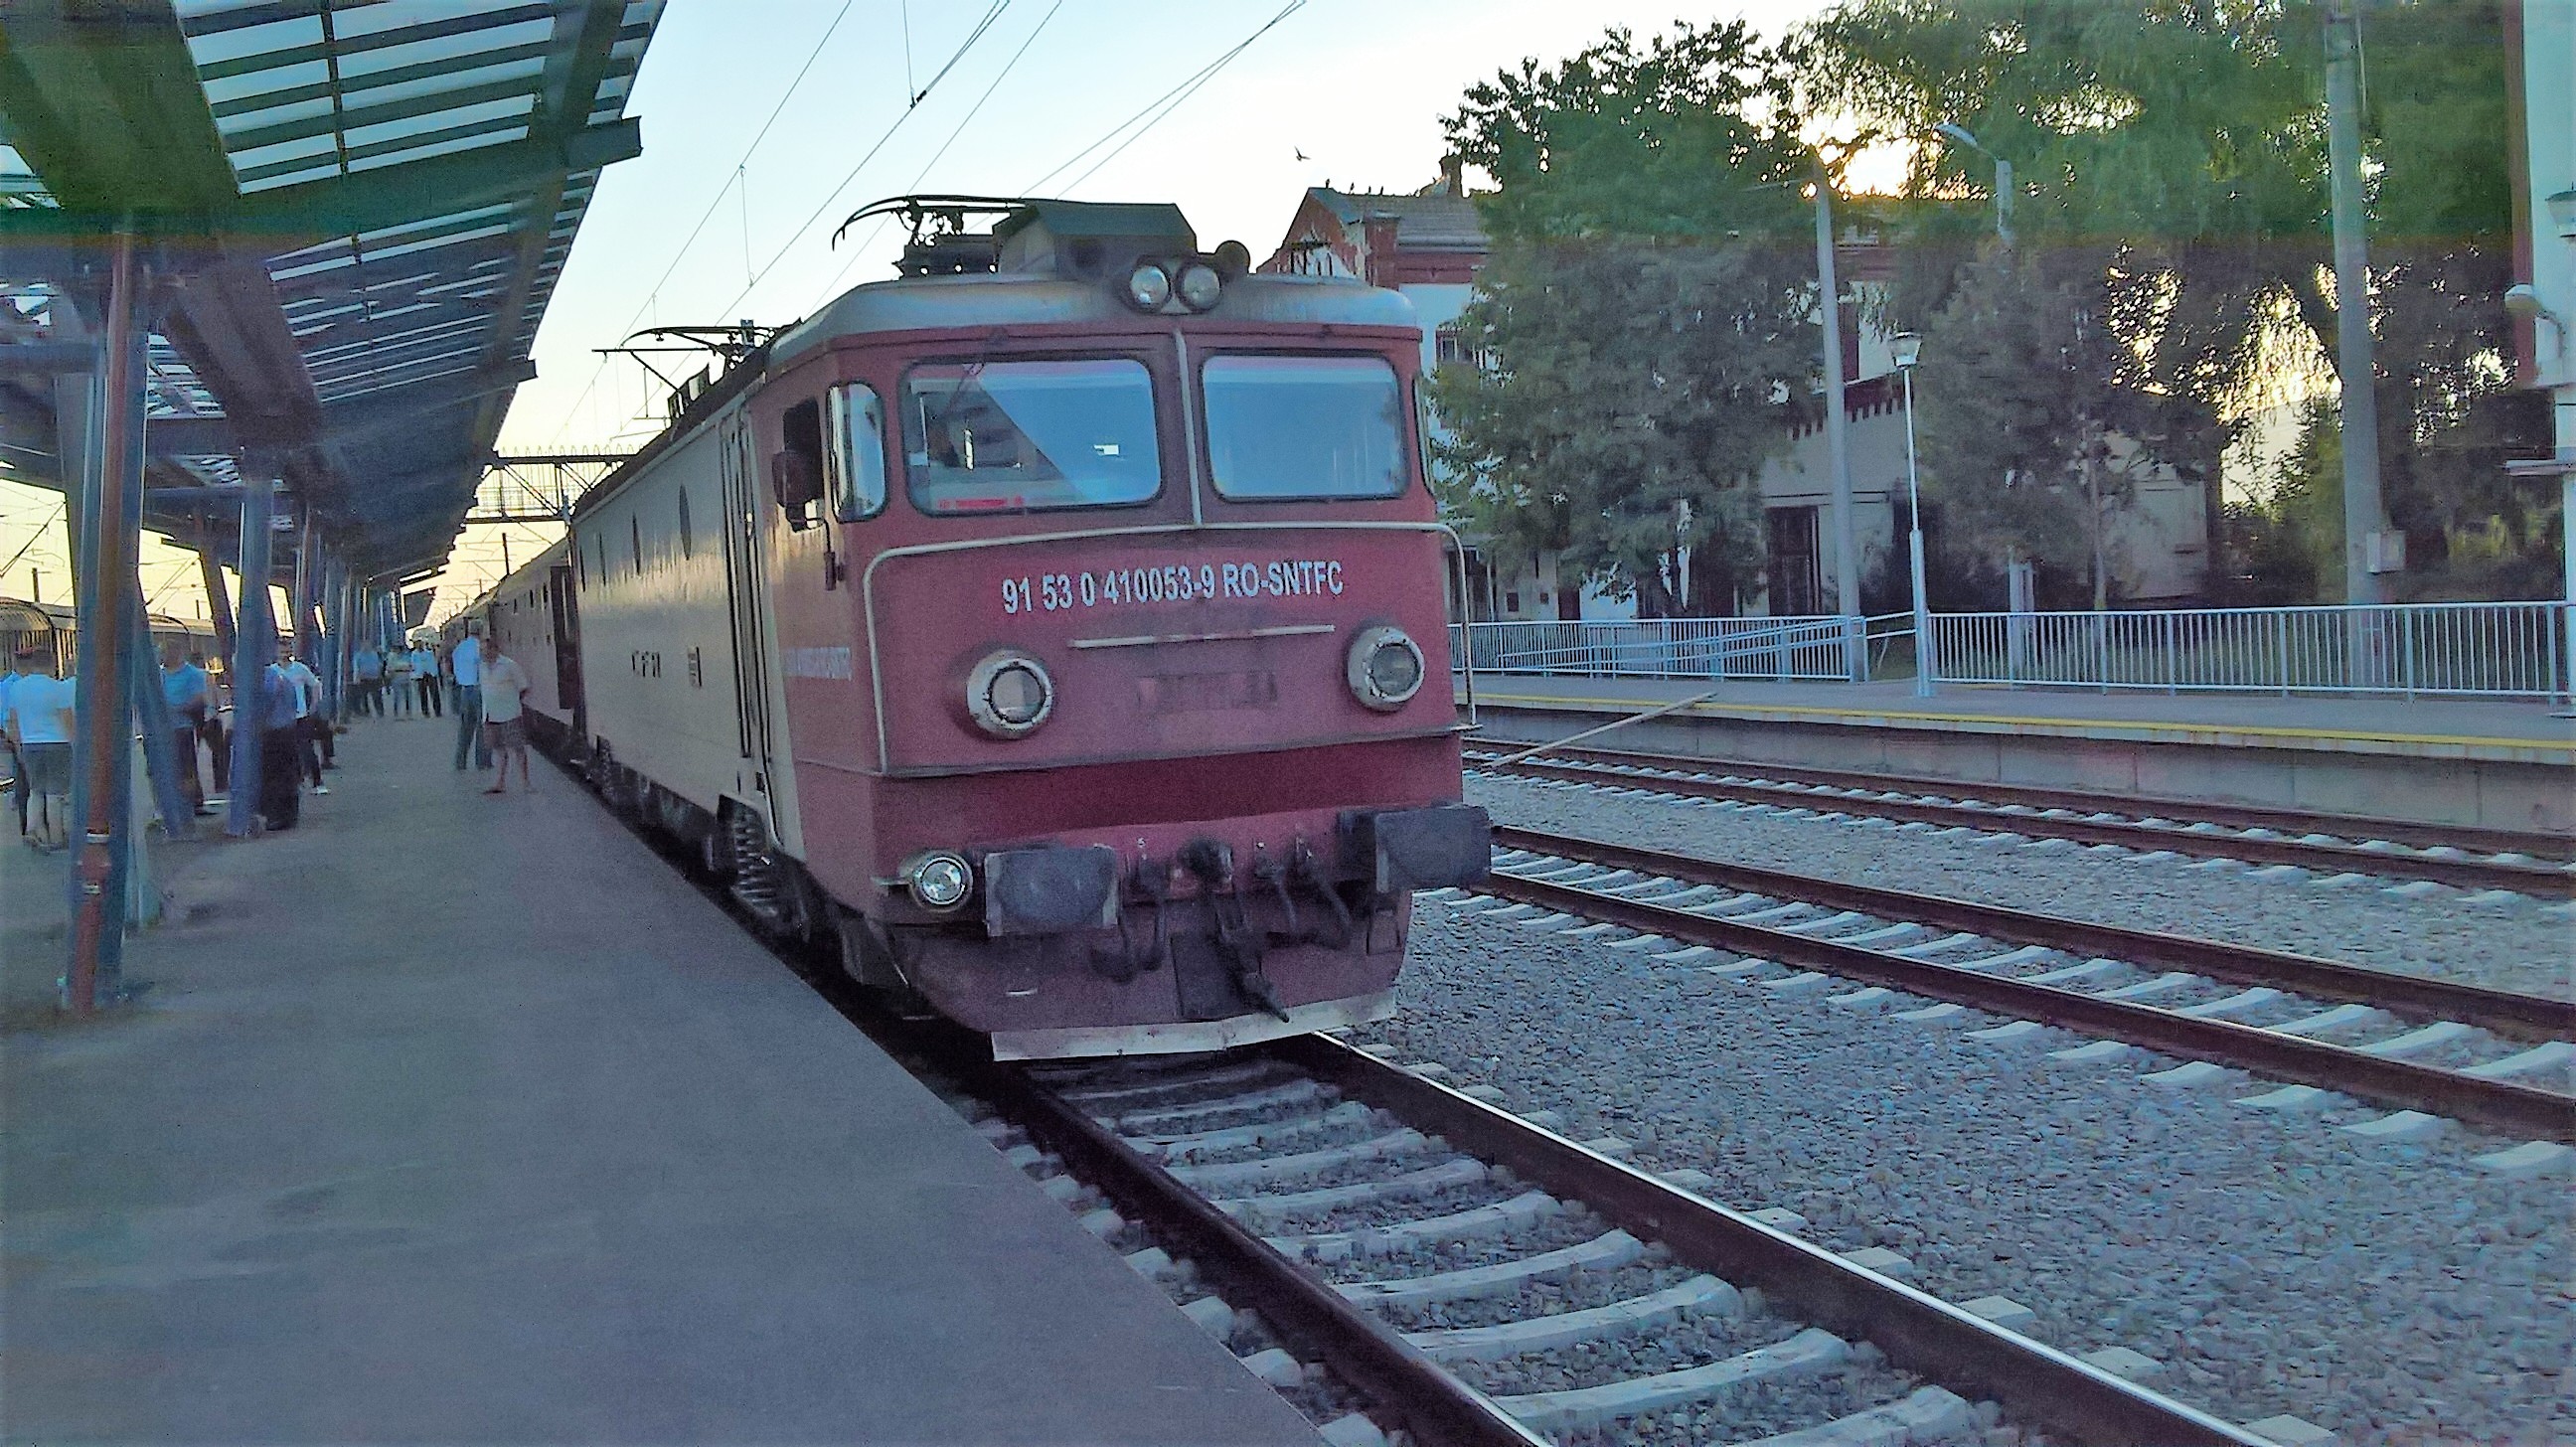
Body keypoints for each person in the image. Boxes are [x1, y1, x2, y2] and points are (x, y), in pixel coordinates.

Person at [5, 646, 75, 851]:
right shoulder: (58, 688)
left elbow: (13, 721)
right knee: (54, 793)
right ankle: (56, 837)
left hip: (29, 745)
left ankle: (33, 830)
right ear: (52, 665)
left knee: (35, 791)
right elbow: (67, 721)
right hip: (57, 744)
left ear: (33, 664)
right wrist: (75, 744)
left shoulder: (17, 688)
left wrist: (18, 745)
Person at [479, 636, 535, 795]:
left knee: (518, 748)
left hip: (509, 714)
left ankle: (526, 783)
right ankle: (500, 783)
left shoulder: (509, 665)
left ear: (494, 649)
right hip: (490, 715)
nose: (483, 653)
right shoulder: (482, 667)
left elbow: (523, 686)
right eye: (481, 650)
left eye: (485, 650)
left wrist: (513, 702)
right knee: (498, 749)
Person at [162, 648, 214, 814]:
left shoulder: (192, 674)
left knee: (187, 767)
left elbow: (199, 699)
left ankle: (193, 802)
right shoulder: (159, 675)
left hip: (183, 727)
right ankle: (171, 803)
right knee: (166, 768)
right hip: (163, 729)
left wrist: (176, 709)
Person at [254, 656, 301, 832]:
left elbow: (265, 704)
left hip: (273, 733)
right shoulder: (282, 678)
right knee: (287, 774)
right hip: (287, 729)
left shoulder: (265, 680)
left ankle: (276, 816)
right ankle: (289, 815)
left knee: (273, 775)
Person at [283, 649, 329, 794]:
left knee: (306, 749)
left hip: (300, 716)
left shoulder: (300, 668)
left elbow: (315, 684)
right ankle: (295, 781)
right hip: (281, 718)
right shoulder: (272, 670)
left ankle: (317, 782)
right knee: (285, 751)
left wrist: (314, 705)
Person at [450, 621, 490, 771]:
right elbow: (483, 668)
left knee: (465, 728)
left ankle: (460, 762)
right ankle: (482, 762)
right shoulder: (480, 648)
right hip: (478, 689)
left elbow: (455, 668)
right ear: (480, 631)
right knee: (482, 726)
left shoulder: (459, 648)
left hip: (464, 690)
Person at [352, 641, 384, 718]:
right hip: (364, 678)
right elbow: (356, 667)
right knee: (363, 696)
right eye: (365, 645)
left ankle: (379, 711)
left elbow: (379, 665)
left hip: (374, 678)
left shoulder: (374, 654)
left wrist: (380, 674)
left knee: (376, 696)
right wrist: (356, 678)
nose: (366, 647)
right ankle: (366, 711)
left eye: (368, 645)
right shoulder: (358, 655)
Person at [412, 640, 443, 717]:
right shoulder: (414, 654)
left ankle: (437, 711)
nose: (419, 645)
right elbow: (413, 665)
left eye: (420, 643)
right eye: (417, 644)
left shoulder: (429, 652)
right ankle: (425, 711)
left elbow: (433, 662)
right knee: (423, 694)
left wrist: (433, 672)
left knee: (435, 693)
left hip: (430, 674)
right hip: (420, 675)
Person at [385, 642, 414, 718]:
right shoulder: (391, 656)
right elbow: (389, 667)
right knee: (397, 696)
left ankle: (408, 713)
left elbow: (411, 666)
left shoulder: (406, 656)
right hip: (396, 677)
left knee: (408, 696)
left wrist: (400, 667)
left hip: (406, 677)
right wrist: (403, 667)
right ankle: (397, 713)